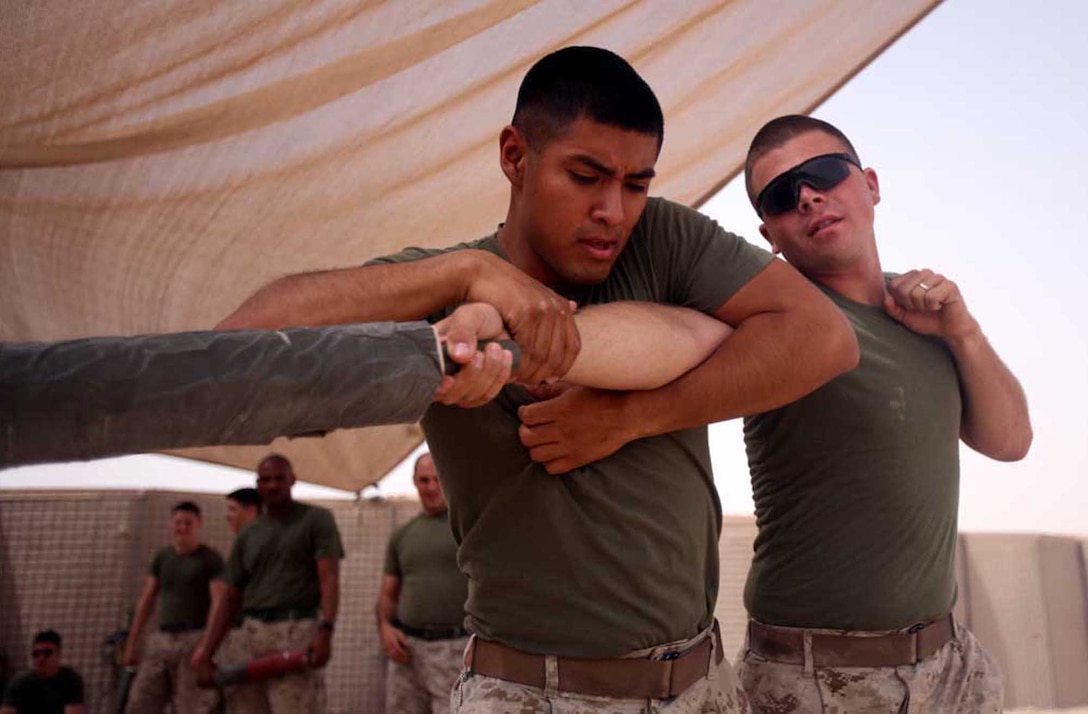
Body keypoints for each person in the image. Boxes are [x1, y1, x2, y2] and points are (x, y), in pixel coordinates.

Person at [218, 47, 859, 712]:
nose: (614, 210)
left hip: (701, 685)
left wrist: (630, 416)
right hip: (529, 691)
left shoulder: (660, 239)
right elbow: (236, 351)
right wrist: (461, 274)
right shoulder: (445, 288)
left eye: (635, 184)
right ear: (515, 156)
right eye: (586, 176)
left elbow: (824, 339)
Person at [733, 114, 1032, 712]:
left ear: (870, 183)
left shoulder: (924, 311)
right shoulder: (772, 317)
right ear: (770, 233)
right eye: (783, 196)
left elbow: (1010, 441)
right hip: (815, 679)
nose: (809, 196)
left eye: (822, 174)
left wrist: (963, 332)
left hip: (949, 667)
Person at [192, 453, 345, 713]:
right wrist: (206, 652)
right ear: (257, 484)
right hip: (250, 636)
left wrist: (325, 630)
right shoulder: (247, 535)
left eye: (279, 478)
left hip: (295, 632)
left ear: (292, 480)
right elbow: (230, 598)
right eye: (265, 480)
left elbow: (329, 577)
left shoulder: (316, 520)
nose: (272, 485)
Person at [378, 453, 468, 714]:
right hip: (408, 651)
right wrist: (385, 627)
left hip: (455, 650)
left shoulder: (468, 529)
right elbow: (388, 593)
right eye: (424, 480)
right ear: (414, 482)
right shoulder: (402, 535)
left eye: (438, 480)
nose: (431, 488)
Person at [122, 501, 223, 713]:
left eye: (188, 523)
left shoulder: (210, 560)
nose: (183, 528)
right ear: (171, 524)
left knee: (193, 705)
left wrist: (207, 645)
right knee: (141, 701)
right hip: (162, 639)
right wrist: (133, 642)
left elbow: (218, 603)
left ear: (199, 524)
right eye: (178, 523)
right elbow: (147, 599)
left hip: (194, 638)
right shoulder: (163, 558)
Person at [1, 630, 84, 714]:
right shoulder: (20, 683)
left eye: (47, 653)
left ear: (59, 654)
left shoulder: (70, 680)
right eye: (36, 654)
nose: (41, 658)